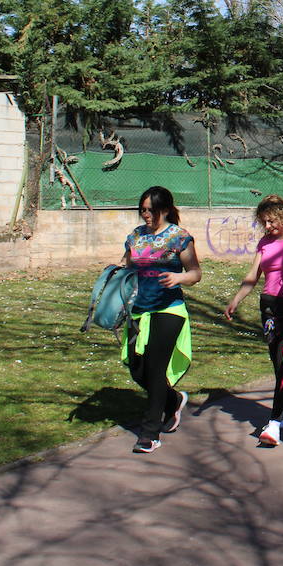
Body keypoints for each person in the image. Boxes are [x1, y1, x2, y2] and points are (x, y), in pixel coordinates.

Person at [123, 186, 202, 454]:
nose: (146, 215)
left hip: (169, 309)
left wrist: (179, 278)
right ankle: (175, 399)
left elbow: (195, 272)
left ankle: (149, 434)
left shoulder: (179, 237)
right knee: (137, 368)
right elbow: (127, 265)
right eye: (143, 209)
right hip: (138, 310)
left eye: (151, 210)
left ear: (165, 209)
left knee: (156, 370)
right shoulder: (135, 236)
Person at [224, 195, 283, 448]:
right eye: (264, 223)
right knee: (278, 363)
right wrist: (236, 299)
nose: (268, 227)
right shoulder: (264, 243)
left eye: (271, 221)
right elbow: (253, 274)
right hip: (269, 308)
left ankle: (274, 423)